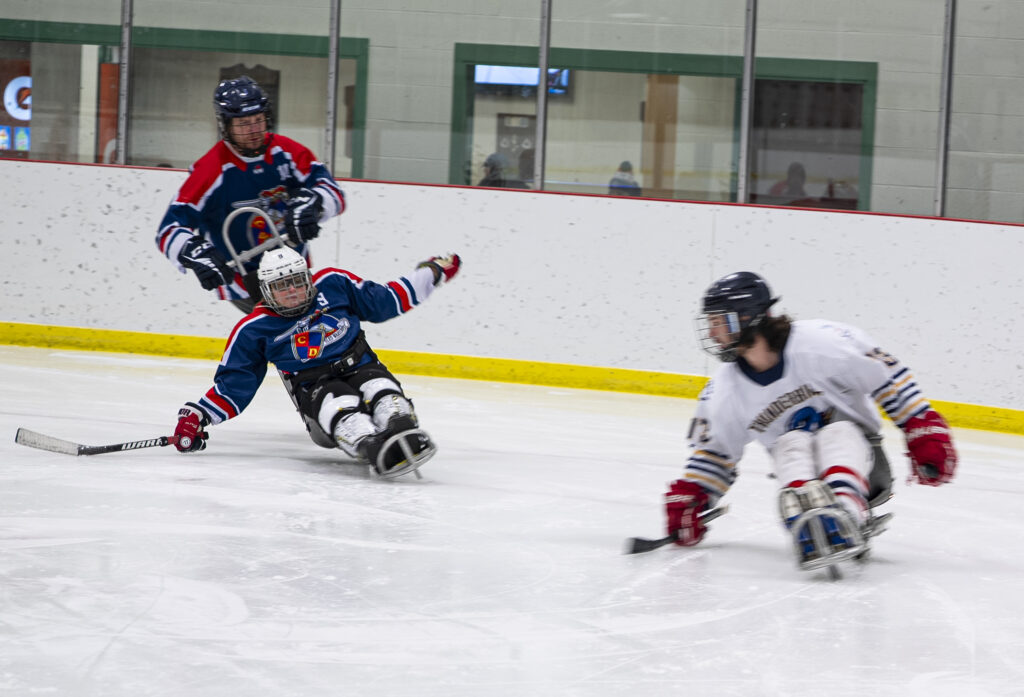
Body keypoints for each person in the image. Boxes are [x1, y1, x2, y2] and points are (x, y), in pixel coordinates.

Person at [663, 272, 958, 571]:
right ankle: (805, 519)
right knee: (790, 442)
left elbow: (887, 377)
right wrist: (694, 495)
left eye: (718, 322)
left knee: (838, 432)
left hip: (866, 469)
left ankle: (846, 510)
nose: (713, 334)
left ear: (746, 317)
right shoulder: (724, 391)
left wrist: (921, 427)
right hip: (798, 472)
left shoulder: (823, 342)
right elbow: (715, 452)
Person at [170, 247, 462, 479]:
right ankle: (369, 444)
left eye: (297, 282)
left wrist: (432, 272)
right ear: (267, 290)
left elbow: (383, 300)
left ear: (307, 277)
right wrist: (198, 416)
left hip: (360, 365)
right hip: (315, 386)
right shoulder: (254, 328)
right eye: (282, 286)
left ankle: (401, 425)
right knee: (341, 407)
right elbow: (235, 385)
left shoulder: (333, 283)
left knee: (382, 391)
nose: (293, 291)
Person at [156, 76, 346, 313]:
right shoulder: (212, 171)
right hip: (247, 281)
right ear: (226, 125)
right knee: (295, 338)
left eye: (258, 120)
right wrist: (194, 252)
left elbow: (333, 192)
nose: (254, 130)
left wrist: (314, 204)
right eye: (244, 124)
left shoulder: (286, 152)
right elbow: (168, 229)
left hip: (294, 271)